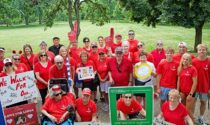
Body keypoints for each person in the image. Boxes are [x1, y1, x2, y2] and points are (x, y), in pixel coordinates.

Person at [192, 44, 210, 124]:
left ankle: (201, 117)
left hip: (205, 87)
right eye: (200, 49)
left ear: (206, 51)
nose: (202, 51)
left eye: (203, 49)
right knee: (193, 102)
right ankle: (191, 117)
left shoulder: (209, 62)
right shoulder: (193, 62)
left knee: (203, 102)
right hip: (194, 87)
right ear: (197, 51)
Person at [177, 53, 197, 121]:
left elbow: (195, 83)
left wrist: (191, 94)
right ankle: (183, 122)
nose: (185, 61)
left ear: (190, 61)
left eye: (187, 59)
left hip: (190, 92)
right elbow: (178, 81)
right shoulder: (180, 68)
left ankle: (193, 121)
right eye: (184, 59)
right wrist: (177, 91)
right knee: (182, 108)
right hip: (182, 91)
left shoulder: (193, 69)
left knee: (188, 110)